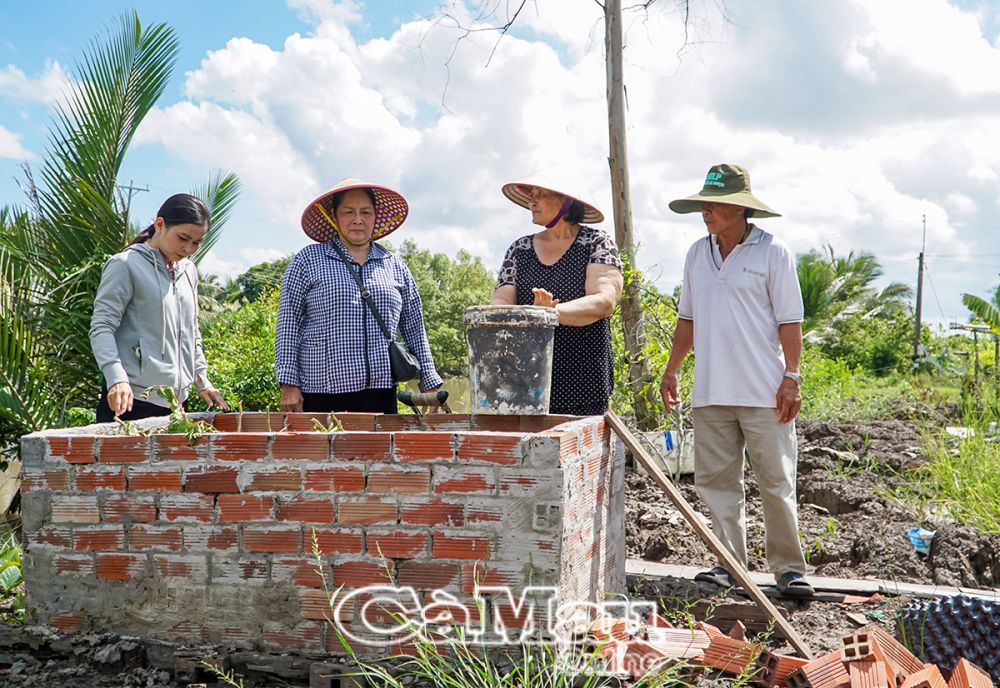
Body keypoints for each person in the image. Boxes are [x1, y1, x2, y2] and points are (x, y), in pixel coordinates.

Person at [660, 163, 814, 597]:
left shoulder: (772, 252)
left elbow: (790, 321)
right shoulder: (697, 254)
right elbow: (686, 317)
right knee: (717, 484)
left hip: (766, 392)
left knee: (776, 481)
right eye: (704, 204)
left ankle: (789, 570)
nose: (705, 211)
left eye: (713, 204)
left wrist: (791, 378)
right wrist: (672, 368)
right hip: (710, 392)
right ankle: (729, 566)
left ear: (738, 208)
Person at [275, 179, 442, 414]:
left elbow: (415, 326)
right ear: (334, 216)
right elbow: (288, 324)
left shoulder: (394, 264)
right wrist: (288, 383)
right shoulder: (308, 260)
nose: (357, 220)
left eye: (365, 212)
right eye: (348, 212)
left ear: (375, 216)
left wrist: (429, 379)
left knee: (378, 451)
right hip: (321, 391)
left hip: (380, 391)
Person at [491, 175, 623, 416]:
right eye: (531, 196)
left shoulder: (596, 242)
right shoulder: (519, 249)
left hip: (584, 384)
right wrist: (520, 314)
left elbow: (604, 301)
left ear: (567, 202)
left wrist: (550, 314)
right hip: (524, 385)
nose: (533, 202)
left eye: (540, 195)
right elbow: (501, 302)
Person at [90, 194, 227, 422]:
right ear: (160, 224)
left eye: (196, 242)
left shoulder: (188, 271)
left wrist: (201, 380)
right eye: (183, 238)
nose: (188, 249)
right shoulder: (124, 265)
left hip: (177, 404)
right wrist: (116, 378)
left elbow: (191, 333)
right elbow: (102, 327)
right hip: (131, 401)